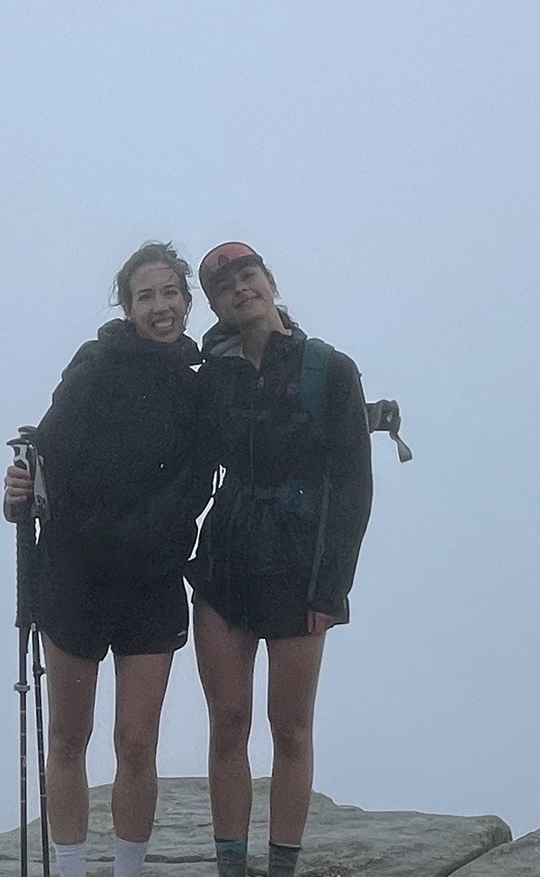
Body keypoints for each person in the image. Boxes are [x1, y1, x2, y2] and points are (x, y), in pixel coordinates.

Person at [3, 242, 207, 877]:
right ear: (127, 306)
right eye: (146, 296)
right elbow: (46, 456)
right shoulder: (93, 368)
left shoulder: (197, 386)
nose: (160, 306)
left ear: (187, 300)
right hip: (77, 575)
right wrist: (18, 495)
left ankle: (127, 871)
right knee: (70, 736)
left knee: (137, 742)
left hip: (151, 581)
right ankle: (70, 870)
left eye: (170, 293)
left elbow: (201, 479)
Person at [190, 242, 374, 877]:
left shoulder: (331, 369)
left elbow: (353, 488)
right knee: (228, 725)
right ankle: (230, 868)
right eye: (225, 287)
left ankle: (282, 869)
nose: (241, 289)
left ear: (269, 281)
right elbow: (178, 465)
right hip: (223, 567)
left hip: (301, 570)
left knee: (291, 729)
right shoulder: (210, 378)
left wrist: (331, 589)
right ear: (215, 306)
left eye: (249, 276)